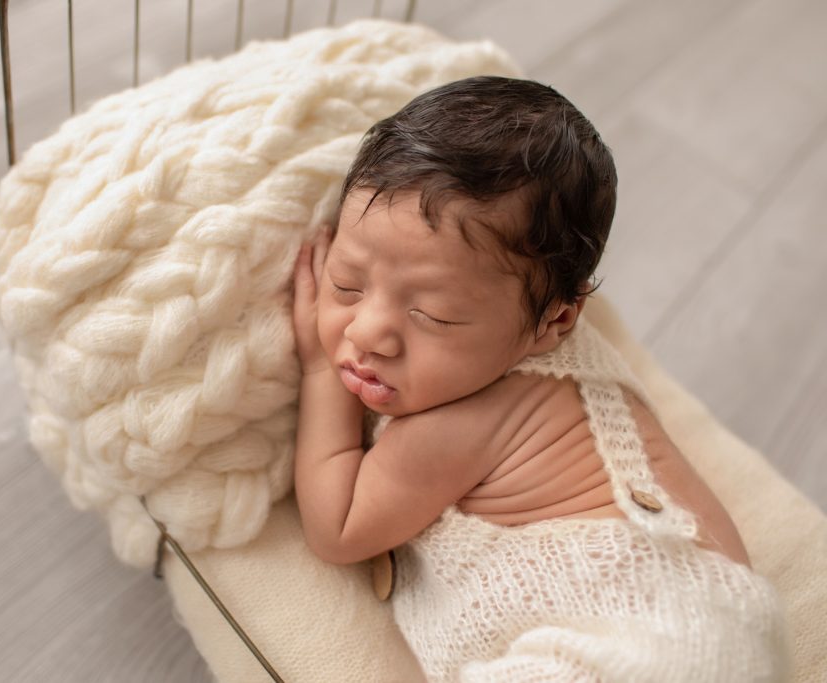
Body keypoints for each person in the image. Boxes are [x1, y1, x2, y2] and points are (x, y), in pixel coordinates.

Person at [291, 76, 790, 682]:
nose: (368, 332)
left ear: (556, 321)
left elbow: (337, 527)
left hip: (657, 638)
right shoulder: (521, 334)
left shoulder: (463, 423)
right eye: (346, 283)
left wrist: (318, 365)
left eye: (433, 315)